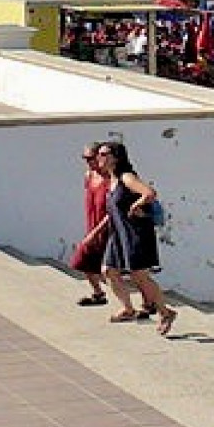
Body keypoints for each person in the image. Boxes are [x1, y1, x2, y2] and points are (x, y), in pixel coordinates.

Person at [95, 141, 177, 336]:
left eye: (104, 154)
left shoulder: (126, 177)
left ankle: (165, 313)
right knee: (108, 271)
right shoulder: (112, 180)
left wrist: (135, 205)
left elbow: (150, 193)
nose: (100, 157)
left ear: (115, 157)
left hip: (135, 234)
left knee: (139, 276)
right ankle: (128, 309)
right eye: (99, 153)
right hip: (118, 234)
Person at [70, 144, 113, 306]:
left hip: (108, 229)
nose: (87, 162)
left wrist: (97, 231)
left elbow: (113, 209)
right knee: (84, 259)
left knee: (120, 270)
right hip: (92, 225)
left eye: (90, 158)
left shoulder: (110, 179)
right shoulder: (89, 176)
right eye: (85, 158)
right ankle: (98, 293)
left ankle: (147, 302)